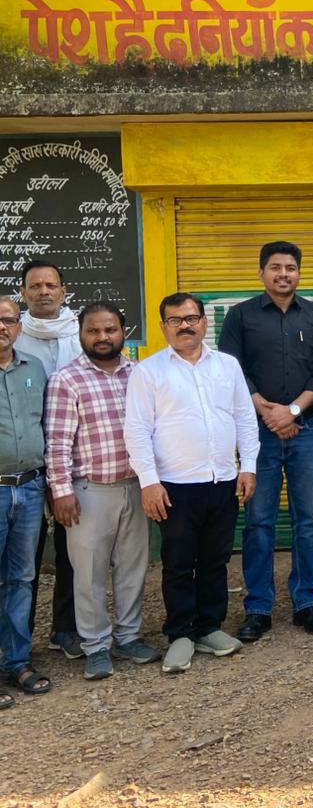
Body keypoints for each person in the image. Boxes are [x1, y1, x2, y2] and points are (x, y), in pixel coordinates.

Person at [124, 293, 259, 675]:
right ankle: (181, 633)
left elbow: (244, 418)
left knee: (216, 560)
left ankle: (209, 627)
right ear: (163, 326)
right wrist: (149, 482)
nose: (184, 325)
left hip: (222, 479)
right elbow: (137, 430)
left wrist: (248, 467)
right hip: (175, 485)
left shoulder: (227, 366)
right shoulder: (148, 372)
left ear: (203, 321)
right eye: (175, 320)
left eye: (191, 318)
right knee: (179, 563)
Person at [220, 241, 313, 642]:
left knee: (309, 519)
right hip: (257, 432)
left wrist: (291, 411)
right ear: (261, 273)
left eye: (290, 267)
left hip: (308, 429)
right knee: (258, 520)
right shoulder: (240, 316)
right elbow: (232, 370)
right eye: (275, 267)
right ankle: (258, 607)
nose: (283, 274)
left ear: (299, 272)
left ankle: (306, 602)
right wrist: (268, 412)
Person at [43, 303, 161, 681]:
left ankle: (128, 637)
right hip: (89, 491)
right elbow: (57, 443)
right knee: (88, 574)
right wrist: (62, 491)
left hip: (135, 486)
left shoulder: (140, 374)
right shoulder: (66, 380)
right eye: (93, 331)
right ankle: (95, 646)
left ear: (124, 331)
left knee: (132, 569)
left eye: (110, 329)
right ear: (81, 334)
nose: (102, 337)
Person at [15, 258, 80, 660]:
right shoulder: (13, 335)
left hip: (76, 457)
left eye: (50, 285)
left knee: (72, 548)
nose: (43, 292)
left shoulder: (81, 332)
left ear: (63, 291)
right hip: (27, 461)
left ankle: (66, 629)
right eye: (35, 286)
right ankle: (17, 637)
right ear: (23, 293)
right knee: (25, 555)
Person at [0, 295, 51, 706]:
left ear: (19, 326)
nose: (2, 327)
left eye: (8, 320)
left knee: (21, 579)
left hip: (30, 488)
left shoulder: (34, 368)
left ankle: (16, 661)